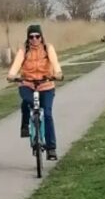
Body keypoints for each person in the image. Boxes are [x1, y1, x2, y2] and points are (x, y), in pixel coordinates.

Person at [6, 23, 63, 160]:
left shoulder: (48, 48)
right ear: (28, 38)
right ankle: (25, 124)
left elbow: (55, 64)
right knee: (26, 101)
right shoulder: (23, 50)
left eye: (37, 36)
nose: (34, 39)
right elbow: (16, 64)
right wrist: (12, 74)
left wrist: (58, 73)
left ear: (41, 37)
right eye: (31, 37)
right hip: (28, 84)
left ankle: (51, 148)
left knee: (47, 114)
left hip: (46, 85)